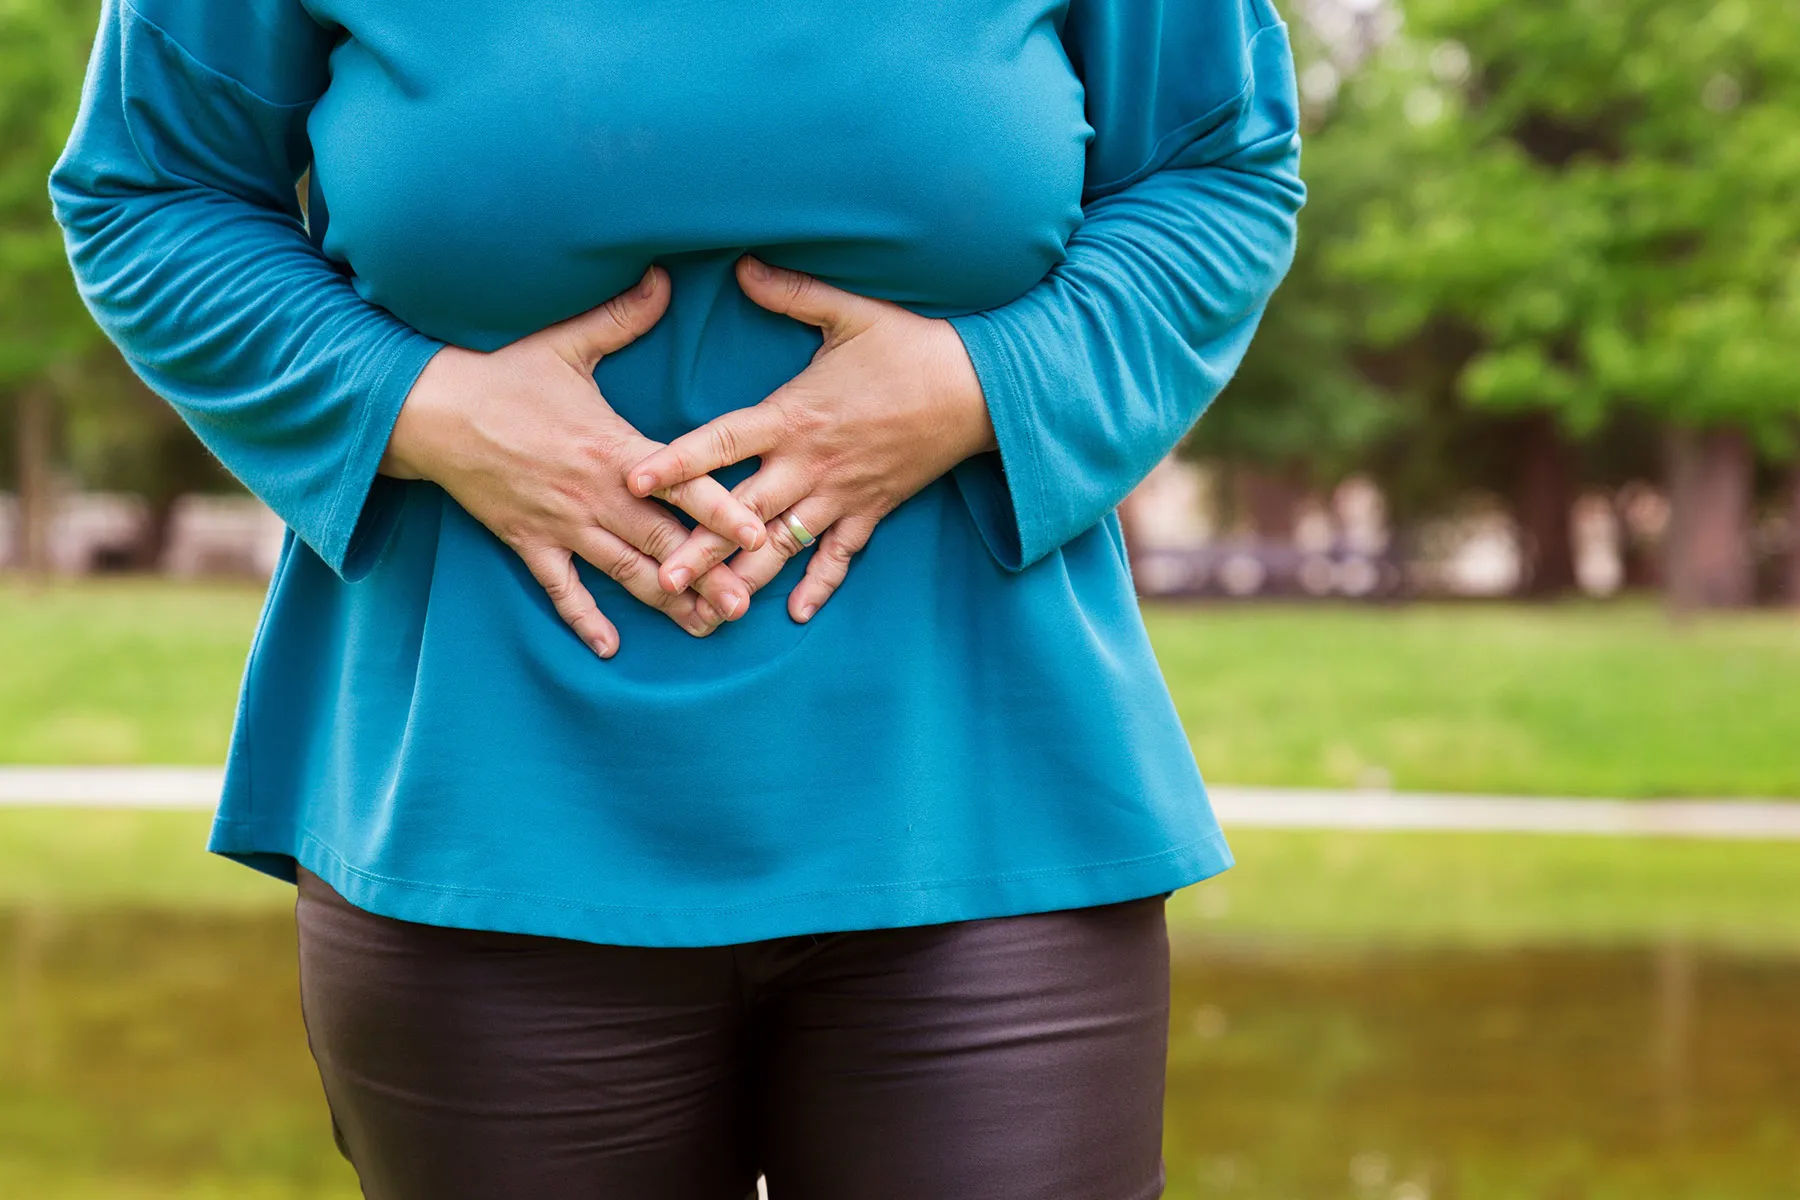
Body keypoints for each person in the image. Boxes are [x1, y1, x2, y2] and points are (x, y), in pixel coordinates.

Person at [50, 0, 1303, 1194]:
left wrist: (980, 385)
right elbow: (151, 194)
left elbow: (1219, 166)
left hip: (986, 797)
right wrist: (428, 410)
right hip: (478, 803)